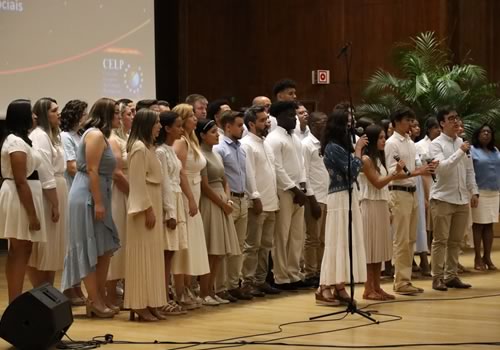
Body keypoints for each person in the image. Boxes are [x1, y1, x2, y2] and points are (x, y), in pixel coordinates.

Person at [61, 98, 121, 318]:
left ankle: (99, 296)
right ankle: (94, 300)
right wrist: (97, 201)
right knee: (88, 248)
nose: (118, 116)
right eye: (115, 112)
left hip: (98, 192)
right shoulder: (95, 135)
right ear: (106, 114)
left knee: (104, 248)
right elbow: (92, 170)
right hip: (88, 193)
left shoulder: (101, 136)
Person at [317, 108, 368, 305]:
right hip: (339, 197)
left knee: (347, 242)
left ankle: (339, 285)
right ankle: (324, 286)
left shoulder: (342, 146)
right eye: (347, 122)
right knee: (336, 241)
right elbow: (352, 170)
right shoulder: (332, 147)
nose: (351, 126)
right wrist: (358, 151)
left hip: (350, 195)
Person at [384, 107, 436, 295]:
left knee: (411, 238)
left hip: (412, 192)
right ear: (397, 122)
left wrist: (426, 168)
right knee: (401, 239)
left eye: (412, 120)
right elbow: (393, 173)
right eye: (408, 120)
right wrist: (419, 172)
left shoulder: (409, 142)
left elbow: (411, 170)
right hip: (399, 192)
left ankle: (406, 279)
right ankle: (400, 281)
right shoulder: (392, 143)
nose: (411, 124)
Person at [0, 99, 45, 303]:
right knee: (18, 249)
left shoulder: (23, 139)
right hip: (19, 198)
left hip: (25, 195)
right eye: (31, 113)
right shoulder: (15, 142)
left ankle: (15, 300)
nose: (35, 117)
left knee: (24, 248)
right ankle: (14, 301)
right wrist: (32, 214)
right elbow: (20, 180)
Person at [124, 108, 166, 321]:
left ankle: (151, 301)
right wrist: (148, 209)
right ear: (147, 124)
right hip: (143, 208)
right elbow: (137, 182)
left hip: (154, 200)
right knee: (141, 256)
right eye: (157, 122)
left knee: (152, 255)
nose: (159, 126)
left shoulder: (149, 147)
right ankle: (139, 304)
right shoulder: (138, 148)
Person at [429, 107, 478, 291]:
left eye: (457, 118)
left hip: (461, 198)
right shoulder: (436, 144)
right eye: (451, 119)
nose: (456, 121)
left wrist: (474, 191)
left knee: (456, 241)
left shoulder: (462, 143)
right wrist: (460, 151)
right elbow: (442, 168)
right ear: (442, 123)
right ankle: (437, 278)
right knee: (440, 240)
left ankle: (451, 275)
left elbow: (469, 170)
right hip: (442, 197)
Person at [170, 103, 210, 309]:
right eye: (192, 115)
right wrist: (191, 199)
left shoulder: (191, 140)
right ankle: (180, 290)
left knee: (192, 245)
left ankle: (187, 286)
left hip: (195, 192)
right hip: (186, 196)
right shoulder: (180, 142)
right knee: (183, 246)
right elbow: (180, 172)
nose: (196, 118)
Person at [359, 124, 405, 300]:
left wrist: (388, 208)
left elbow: (382, 186)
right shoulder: (366, 160)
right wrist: (395, 173)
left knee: (379, 249)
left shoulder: (379, 159)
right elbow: (377, 183)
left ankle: (377, 287)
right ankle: (367, 288)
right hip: (369, 205)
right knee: (370, 249)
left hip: (380, 205)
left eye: (384, 137)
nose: (384, 140)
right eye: (380, 137)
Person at [265, 101, 308, 290]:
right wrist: (294, 188)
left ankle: (293, 272)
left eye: (295, 115)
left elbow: (302, 164)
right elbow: (277, 168)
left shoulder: (295, 138)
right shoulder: (274, 139)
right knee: (281, 235)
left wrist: (304, 186)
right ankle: (281, 275)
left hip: (299, 191)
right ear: (279, 117)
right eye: (290, 115)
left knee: (297, 235)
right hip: (285, 191)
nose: (295, 118)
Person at [197, 119, 241, 305]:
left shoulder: (215, 153)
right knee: (211, 250)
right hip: (210, 202)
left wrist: (228, 198)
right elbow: (205, 186)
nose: (217, 135)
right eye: (213, 132)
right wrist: (222, 204)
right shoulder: (201, 155)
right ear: (202, 135)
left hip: (222, 198)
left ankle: (211, 290)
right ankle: (203, 291)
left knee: (219, 252)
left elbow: (225, 179)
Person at [240, 106, 281, 295]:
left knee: (266, 246)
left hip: (271, 201)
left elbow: (270, 173)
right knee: (252, 245)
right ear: (251, 124)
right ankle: (247, 281)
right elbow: (249, 174)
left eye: (267, 119)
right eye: (263, 120)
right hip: (258, 202)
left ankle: (260, 279)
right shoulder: (247, 144)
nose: (267, 122)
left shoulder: (265, 143)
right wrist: (255, 197)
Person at [27, 98, 67, 289]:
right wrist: (55, 203)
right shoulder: (39, 136)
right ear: (44, 114)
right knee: (44, 246)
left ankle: (48, 290)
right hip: (48, 193)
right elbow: (44, 171)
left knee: (53, 246)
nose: (58, 113)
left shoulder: (53, 135)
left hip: (58, 188)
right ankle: (41, 291)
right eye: (54, 110)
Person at [213, 110, 251, 300]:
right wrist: (226, 200)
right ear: (227, 127)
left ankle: (235, 283)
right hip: (229, 200)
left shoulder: (241, 148)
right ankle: (221, 286)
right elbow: (219, 178)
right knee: (226, 246)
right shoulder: (219, 148)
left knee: (239, 246)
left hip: (242, 198)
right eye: (238, 125)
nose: (242, 128)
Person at [155, 111, 189, 315]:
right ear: (167, 128)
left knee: (171, 252)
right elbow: (164, 182)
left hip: (176, 199)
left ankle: (165, 296)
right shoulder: (160, 152)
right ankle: (161, 297)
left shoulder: (168, 149)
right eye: (177, 125)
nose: (181, 129)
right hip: (168, 202)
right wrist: (170, 212)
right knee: (165, 253)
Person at [60, 99, 88, 305]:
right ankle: (69, 287)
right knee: (72, 241)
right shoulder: (65, 137)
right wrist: (92, 166)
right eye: (84, 113)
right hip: (72, 189)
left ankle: (77, 286)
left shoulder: (79, 135)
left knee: (79, 241)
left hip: (82, 188)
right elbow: (71, 166)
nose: (86, 117)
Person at [105, 101, 132, 308]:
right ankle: (110, 293)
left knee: (127, 242)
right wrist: (134, 193)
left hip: (127, 191)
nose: (132, 115)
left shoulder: (125, 138)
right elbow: (116, 172)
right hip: (119, 193)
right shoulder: (112, 139)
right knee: (118, 241)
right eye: (128, 113)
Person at [301, 111, 329, 286]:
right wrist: (311, 199)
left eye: (326, 121)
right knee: (312, 238)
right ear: (312, 124)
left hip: (327, 196)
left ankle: (321, 270)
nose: (325, 124)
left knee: (323, 239)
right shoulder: (306, 144)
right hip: (315, 197)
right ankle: (311, 272)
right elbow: (304, 174)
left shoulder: (324, 144)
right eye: (321, 122)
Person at [470, 123, 500, 271]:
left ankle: (487, 257)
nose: (486, 134)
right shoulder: (472, 150)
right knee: (478, 225)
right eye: (483, 132)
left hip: (494, 192)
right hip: (479, 192)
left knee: (490, 225)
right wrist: (473, 192)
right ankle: (477, 257)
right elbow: (469, 172)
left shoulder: (495, 150)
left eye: (489, 132)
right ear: (478, 134)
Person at [409, 119, 431, 276]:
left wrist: (424, 195)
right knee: (410, 228)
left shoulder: (414, 146)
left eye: (417, 125)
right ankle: (411, 261)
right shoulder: (398, 145)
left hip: (418, 187)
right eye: (412, 125)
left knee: (421, 224)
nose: (415, 128)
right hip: (406, 186)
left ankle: (424, 260)